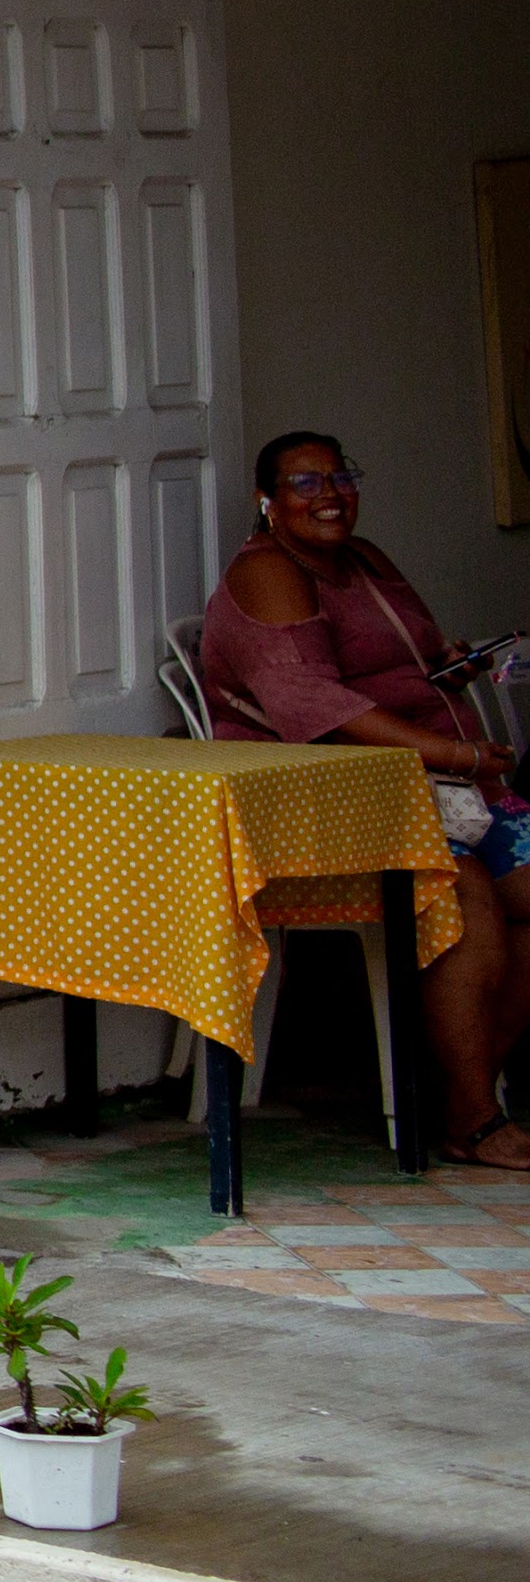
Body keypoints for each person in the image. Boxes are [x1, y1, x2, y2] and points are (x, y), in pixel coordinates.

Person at [197, 428, 530, 1168]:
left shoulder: (363, 560)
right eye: (306, 484)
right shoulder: (268, 575)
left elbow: (403, 652)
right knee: (467, 901)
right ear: (268, 502)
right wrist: (455, 750)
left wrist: (445, 666)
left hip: (441, 788)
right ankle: (474, 1119)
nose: (330, 496)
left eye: (341, 477)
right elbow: (313, 704)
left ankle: (455, 1086)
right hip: (334, 802)